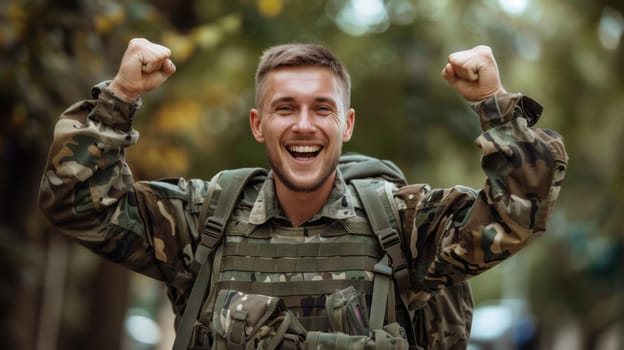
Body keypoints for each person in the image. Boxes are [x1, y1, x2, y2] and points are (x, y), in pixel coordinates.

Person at [38, 38, 568, 349]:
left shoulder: (406, 226)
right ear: (258, 124)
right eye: (285, 107)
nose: (304, 125)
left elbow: (515, 212)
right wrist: (121, 95)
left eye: (322, 108)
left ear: (348, 124)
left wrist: (494, 104)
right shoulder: (201, 219)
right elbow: (74, 200)